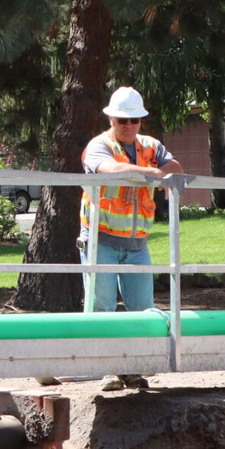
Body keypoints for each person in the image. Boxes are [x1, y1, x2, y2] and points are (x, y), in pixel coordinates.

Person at [83, 86, 185, 390]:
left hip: (137, 243)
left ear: (141, 121)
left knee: (143, 309)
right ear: (111, 119)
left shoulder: (150, 145)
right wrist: (151, 174)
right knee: (102, 307)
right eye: (122, 120)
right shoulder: (98, 145)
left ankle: (132, 370)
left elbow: (176, 168)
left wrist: (144, 174)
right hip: (100, 240)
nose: (129, 126)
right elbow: (111, 169)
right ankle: (107, 370)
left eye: (135, 121)